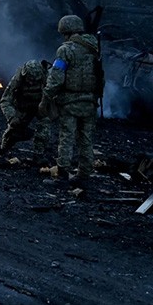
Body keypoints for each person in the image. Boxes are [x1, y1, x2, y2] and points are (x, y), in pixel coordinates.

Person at [39, 15, 103, 189]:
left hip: (70, 101)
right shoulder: (94, 47)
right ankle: (84, 175)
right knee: (86, 139)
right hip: (89, 101)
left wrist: (46, 96)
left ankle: (62, 175)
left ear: (64, 31)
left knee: (66, 137)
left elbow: (57, 77)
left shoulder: (65, 50)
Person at [0, 59, 52, 163]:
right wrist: (11, 117)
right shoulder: (17, 80)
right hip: (23, 106)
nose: (32, 82)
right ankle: (4, 148)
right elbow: (5, 100)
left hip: (40, 106)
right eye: (30, 79)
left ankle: (39, 154)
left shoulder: (47, 77)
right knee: (13, 131)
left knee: (44, 127)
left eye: (35, 80)